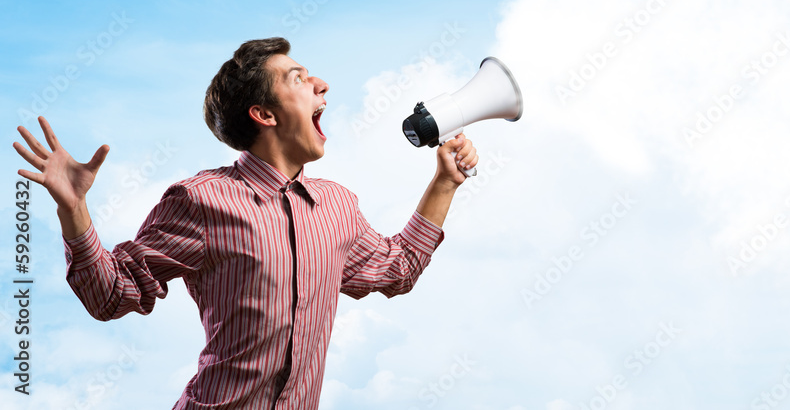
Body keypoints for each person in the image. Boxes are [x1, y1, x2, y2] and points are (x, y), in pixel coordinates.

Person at [13, 37, 478, 409]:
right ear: (265, 114)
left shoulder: (338, 208)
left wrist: (444, 182)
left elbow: (398, 270)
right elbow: (110, 296)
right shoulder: (201, 200)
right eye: (298, 78)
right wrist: (73, 209)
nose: (323, 84)